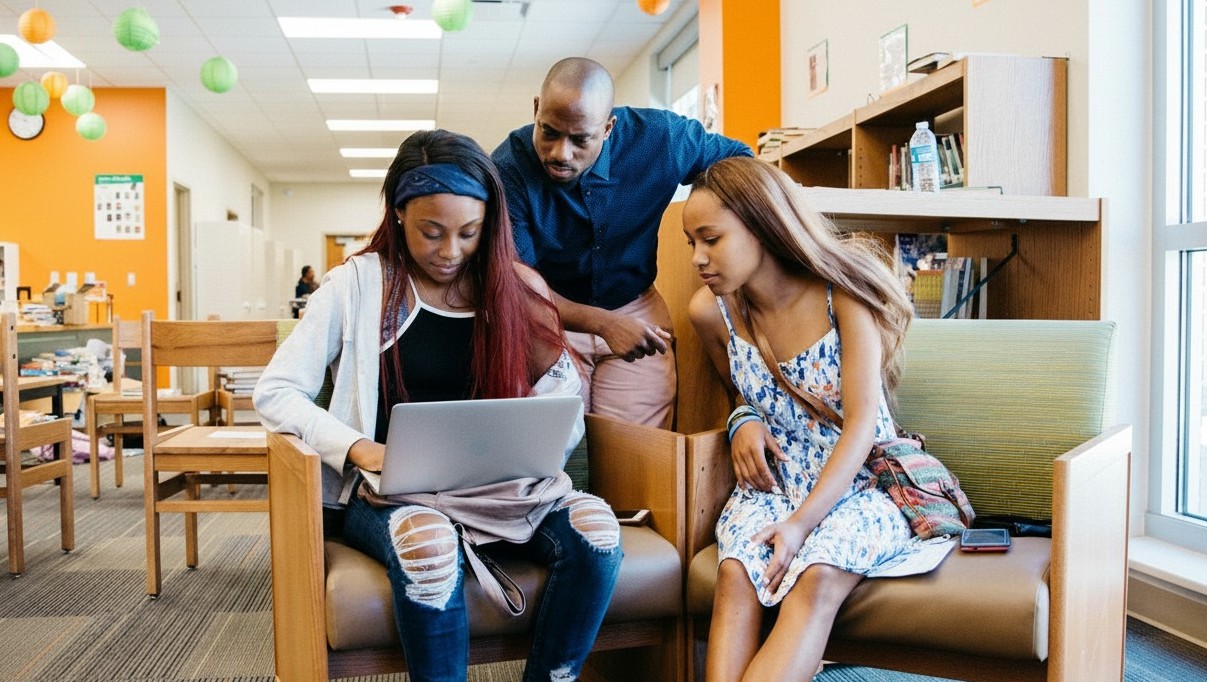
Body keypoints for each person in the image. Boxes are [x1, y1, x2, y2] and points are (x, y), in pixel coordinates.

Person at [254, 129, 623, 682]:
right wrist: (358, 447)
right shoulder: (355, 284)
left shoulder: (516, 286)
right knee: (427, 546)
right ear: (399, 214)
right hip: (390, 493)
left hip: (503, 487)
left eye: (470, 233)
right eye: (432, 232)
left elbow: (562, 396)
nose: (451, 252)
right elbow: (275, 391)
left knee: (598, 532)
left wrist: (531, 446)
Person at [682, 156, 924, 682]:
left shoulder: (845, 297)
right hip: (773, 483)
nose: (698, 258)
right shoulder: (711, 312)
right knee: (735, 576)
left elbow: (862, 425)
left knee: (813, 579)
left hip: (858, 484)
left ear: (762, 226)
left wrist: (799, 525)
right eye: (690, 243)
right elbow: (740, 393)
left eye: (711, 239)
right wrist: (741, 420)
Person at [492, 56, 752, 429]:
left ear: (609, 127)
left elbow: (741, 161)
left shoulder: (660, 138)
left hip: (636, 309)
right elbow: (517, 284)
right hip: (548, 317)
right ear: (536, 109)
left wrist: (704, 227)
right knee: (555, 447)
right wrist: (603, 324)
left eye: (580, 139)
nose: (559, 153)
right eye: (548, 131)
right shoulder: (507, 168)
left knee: (640, 453)